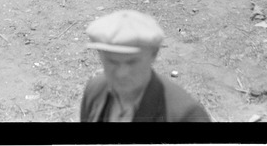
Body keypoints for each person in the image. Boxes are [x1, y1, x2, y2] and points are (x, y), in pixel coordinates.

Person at [80, 9, 211, 122]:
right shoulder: (95, 90)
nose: (121, 73)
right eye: (112, 61)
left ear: (154, 54)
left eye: (132, 62)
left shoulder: (185, 115)